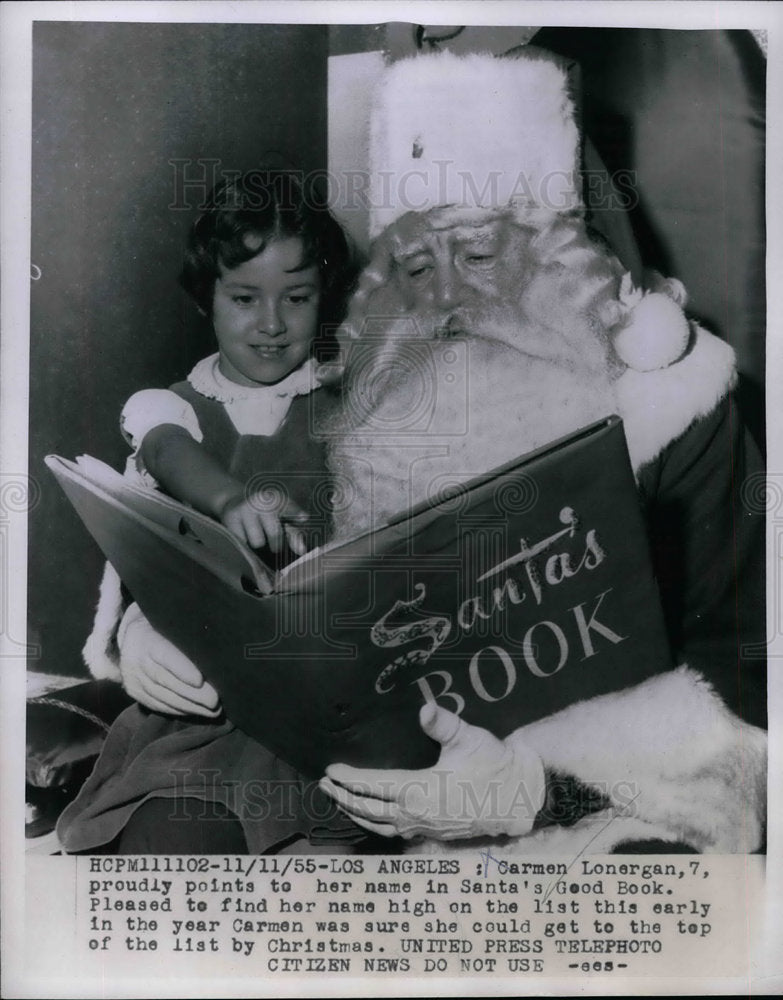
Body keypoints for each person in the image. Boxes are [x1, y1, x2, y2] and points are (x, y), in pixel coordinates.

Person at [64, 48, 766, 856]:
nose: (451, 299)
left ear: (575, 263)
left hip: (602, 829)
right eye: (414, 263)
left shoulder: (679, 413)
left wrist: (540, 786)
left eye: (484, 257)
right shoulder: (357, 403)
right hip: (377, 813)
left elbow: (754, 703)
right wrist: (155, 623)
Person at [57, 170, 366, 854]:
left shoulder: (348, 404)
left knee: (330, 850)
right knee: (166, 840)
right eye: (243, 298)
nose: (271, 323)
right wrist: (139, 637)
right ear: (207, 301)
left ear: (325, 300)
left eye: (297, 297)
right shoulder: (172, 413)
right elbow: (161, 473)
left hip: (327, 703)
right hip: (208, 714)